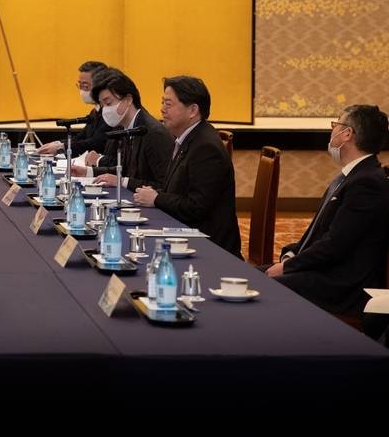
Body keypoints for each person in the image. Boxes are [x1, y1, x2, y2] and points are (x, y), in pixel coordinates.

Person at [266, 105, 389, 318]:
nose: (332, 131)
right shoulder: (352, 176)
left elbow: (335, 245)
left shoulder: (367, 183)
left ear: (347, 133)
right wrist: (291, 255)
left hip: (341, 285)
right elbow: (321, 234)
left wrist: (288, 266)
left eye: (336, 125)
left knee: (259, 287)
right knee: (248, 275)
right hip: (323, 269)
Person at [133, 75, 241, 257]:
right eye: (162, 103)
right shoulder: (187, 139)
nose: (162, 109)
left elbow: (196, 207)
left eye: (168, 104)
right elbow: (175, 190)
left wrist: (156, 198)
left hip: (209, 249)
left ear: (192, 110)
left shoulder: (206, 147)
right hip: (187, 235)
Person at [71, 68, 173, 191]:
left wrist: (123, 182)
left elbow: (164, 186)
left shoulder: (153, 133)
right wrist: (88, 172)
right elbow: (124, 170)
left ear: (128, 100)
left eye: (108, 103)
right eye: (102, 105)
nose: (105, 110)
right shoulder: (125, 127)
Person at [37, 61, 111, 156]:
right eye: (80, 85)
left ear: (100, 85)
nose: (82, 91)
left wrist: (62, 147)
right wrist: (57, 144)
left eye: (85, 86)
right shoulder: (95, 111)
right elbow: (81, 137)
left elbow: (96, 142)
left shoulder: (110, 113)